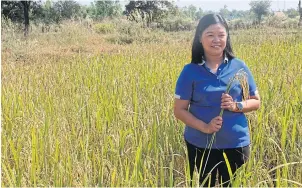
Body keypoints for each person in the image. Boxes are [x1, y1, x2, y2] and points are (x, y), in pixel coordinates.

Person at [174, 14, 261, 187]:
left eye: (221, 35)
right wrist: (205, 127)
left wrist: (236, 106)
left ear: (227, 37)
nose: (216, 40)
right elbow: (179, 110)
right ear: (200, 38)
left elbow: (255, 101)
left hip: (236, 143)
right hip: (200, 145)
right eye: (210, 35)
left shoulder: (239, 67)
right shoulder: (190, 71)